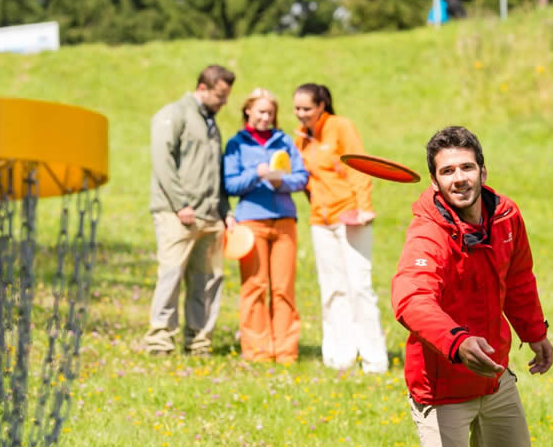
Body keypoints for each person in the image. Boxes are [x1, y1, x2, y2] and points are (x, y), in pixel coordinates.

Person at [392, 125, 553, 447]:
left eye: (467, 167)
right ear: (435, 181)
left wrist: (534, 332)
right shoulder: (429, 232)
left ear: (483, 171)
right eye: (448, 171)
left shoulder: (506, 217)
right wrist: (457, 341)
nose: (459, 178)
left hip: (496, 378)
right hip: (443, 385)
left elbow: (518, 279)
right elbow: (411, 298)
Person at [292, 83, 388, 373]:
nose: (301, 114)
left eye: (306, 108)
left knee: (359, 286)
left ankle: (374, 360)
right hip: (321, 223)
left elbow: (360, 166)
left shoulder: (341, 127)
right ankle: (339, 356)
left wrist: (364, 207)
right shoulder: (301, 138)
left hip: (351, 217)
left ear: (322, 105)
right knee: (332, 289)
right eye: (296, 108)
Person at [145, 64, 236, 356]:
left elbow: (215, 171)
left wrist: (224, 209)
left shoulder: (211, 122)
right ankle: (160, 342)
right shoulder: (174, 114)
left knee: (207, 281)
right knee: (171, 276)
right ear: (202, 88)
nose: (224, 103)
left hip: (210, 215)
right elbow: (163, 162)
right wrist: (180, 203)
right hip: (178, 214)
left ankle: (198, 342)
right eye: (220, 96)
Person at [223, 88, 309, 363]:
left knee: (283, 288)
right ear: (248, 111)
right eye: (261, 112)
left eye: (270, 113)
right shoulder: (237, 144)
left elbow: (302, 177)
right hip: (250, 222)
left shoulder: (284, 141)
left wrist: (280, 182)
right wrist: (256, 174)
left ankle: (285, 351)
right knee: (254, 287)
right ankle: (257, 351)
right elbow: (230, 184)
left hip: (284, 221)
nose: (266, 117)